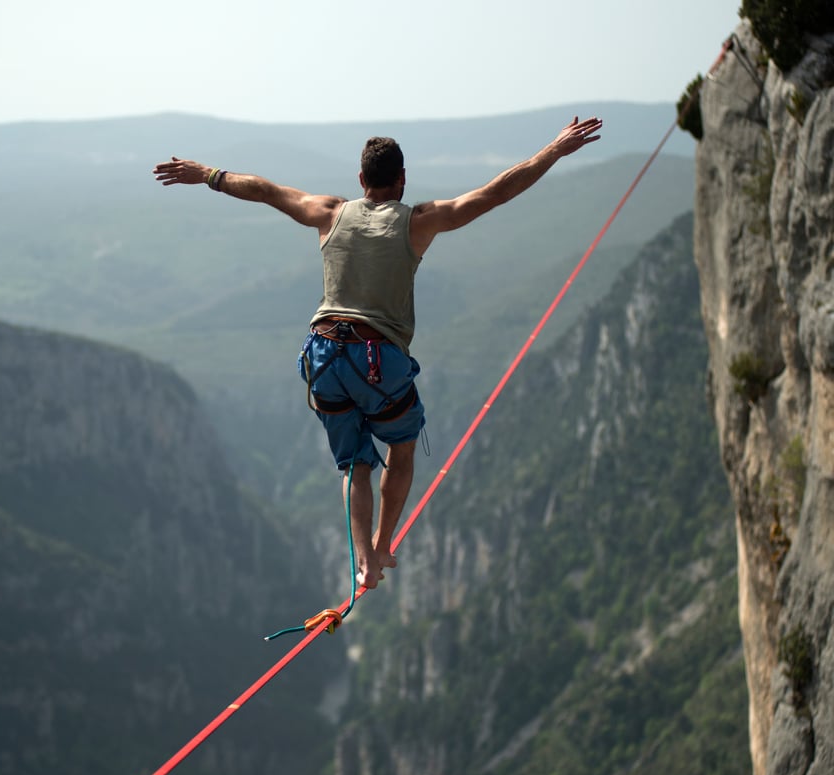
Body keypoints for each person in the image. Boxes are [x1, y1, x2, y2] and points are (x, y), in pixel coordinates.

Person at [152, 116, 602, 590]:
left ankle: (362, 557)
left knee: (355, 465)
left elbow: (263, 189)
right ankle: (382, 547)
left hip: (323, 355)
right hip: (375, 357)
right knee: (401, 449)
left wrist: (207, 174)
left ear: (361, 180)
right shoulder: (418, 221)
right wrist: (552, 150)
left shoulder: (327, 211)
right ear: (402, 180)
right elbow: (493, 194)